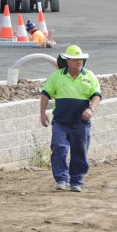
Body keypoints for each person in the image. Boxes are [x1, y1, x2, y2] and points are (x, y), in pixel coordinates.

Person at [40, 45, 101, 192]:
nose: (79, 62)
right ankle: (61, 179)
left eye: (80, 59)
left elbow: (96, 95)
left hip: (81, 123)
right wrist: (42, 113)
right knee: (59, 148)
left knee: (80, 152)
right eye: (75, 59)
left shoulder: (90, 76)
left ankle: (76, 181)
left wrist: (91, 109)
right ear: (67, 61)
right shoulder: (56, 76)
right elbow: (45, 94)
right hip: (61, 122)